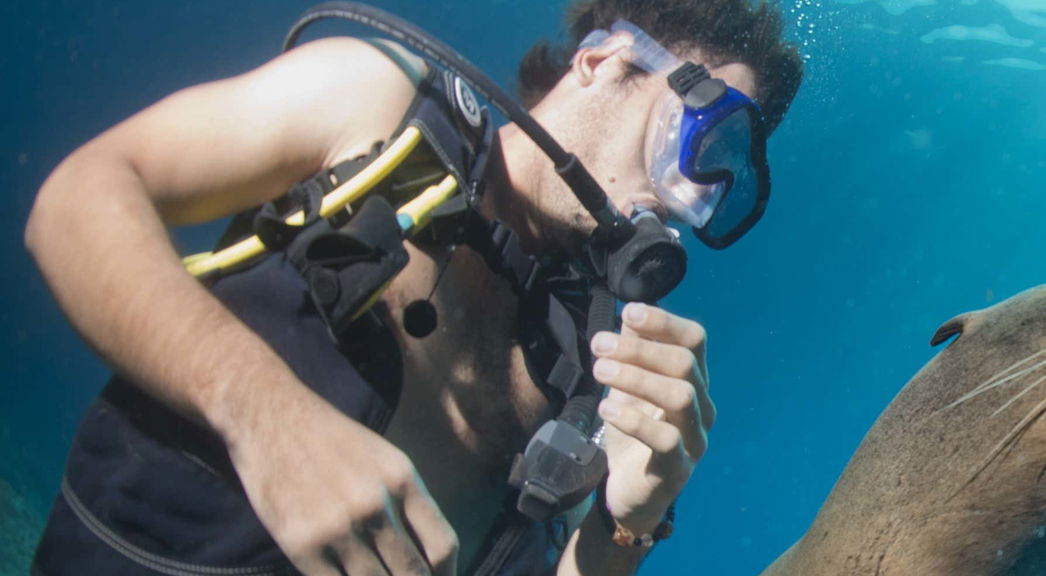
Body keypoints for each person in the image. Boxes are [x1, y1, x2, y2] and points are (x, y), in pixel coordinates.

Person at [23, 0, 802, 574]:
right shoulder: (376, 103)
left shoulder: (585, 368)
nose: (684, 197)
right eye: (698, 137)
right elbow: (78, 199)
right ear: (600, 62)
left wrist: (624, 527)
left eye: (719, 188)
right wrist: (265, 414)